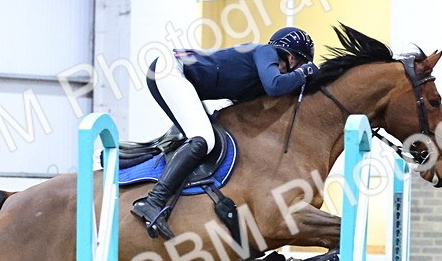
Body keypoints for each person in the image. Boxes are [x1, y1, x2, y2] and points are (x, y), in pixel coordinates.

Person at [131, 26, 318, 239]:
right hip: (170, 69)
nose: (296, 73)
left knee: (209, 138)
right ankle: (152, 201)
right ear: (292, 58)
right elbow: (276, 85)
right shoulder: (266, 53)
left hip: (176, 74)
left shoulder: (258, 80)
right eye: (299, 66)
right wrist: (307, 71)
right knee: (203, 139)